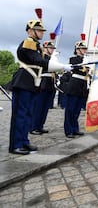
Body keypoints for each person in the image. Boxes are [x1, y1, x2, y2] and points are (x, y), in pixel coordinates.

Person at [9, 10, 71, 155]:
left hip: (31, 83)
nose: (42, 33)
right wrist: (62, 66)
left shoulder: (36, 45)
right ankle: (16, 145)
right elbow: (39, 61)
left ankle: (24, 141)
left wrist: (58, 62)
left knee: (28, 114)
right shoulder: (28, 42)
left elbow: (44, 61)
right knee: (21, 114)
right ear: (31, 31)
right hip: (24, 81)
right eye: (39, 30)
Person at [30, 37, 57, 135]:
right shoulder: (41, 57)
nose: (52, 50)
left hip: (50, 83)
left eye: (52, 48)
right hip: (42, 82)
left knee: (45, 108)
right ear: (44, 48)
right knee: (38, 107)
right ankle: (33, 127)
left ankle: (40, 125)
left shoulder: (51, 58)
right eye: (50, 48)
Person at [64, 35, 90, 138]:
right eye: (82, 49)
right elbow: (77, 67)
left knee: (77, 110)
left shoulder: (86, 60)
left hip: (82, 85)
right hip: (74, 85)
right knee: (70, 109)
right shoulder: (73, 59)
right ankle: (68, 130)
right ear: (77, 50)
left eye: (85, 49)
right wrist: (86, 62)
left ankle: (75, 129)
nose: (84, 50)